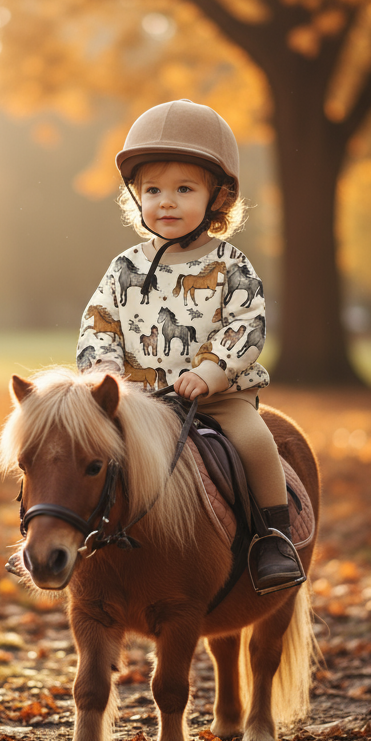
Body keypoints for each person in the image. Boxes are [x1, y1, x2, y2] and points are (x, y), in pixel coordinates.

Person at [76, 99, 305, 594]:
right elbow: (100, 323)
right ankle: (68, 532)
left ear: (216, 198)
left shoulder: (230, 265)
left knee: (255, 440)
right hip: (140, 403)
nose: (167, 202)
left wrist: (210, 372)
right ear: (137, 196)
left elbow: (247, 323)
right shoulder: (125, 267)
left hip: (218, 399)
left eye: (184, 189)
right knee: (80, 453)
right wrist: (105, 376)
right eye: (153, 190)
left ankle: (272, 537)